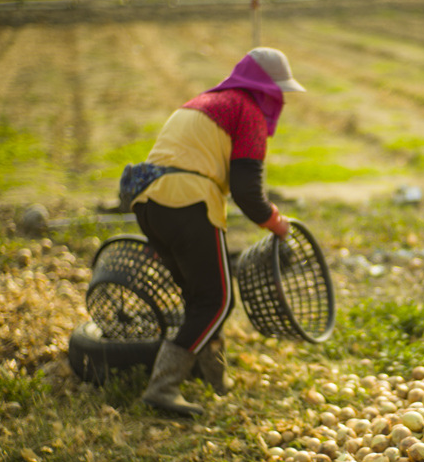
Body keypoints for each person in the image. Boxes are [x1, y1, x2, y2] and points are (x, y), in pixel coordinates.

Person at [127, 47, 304, 415]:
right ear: (264, 89)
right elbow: (246, 191)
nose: (279, 101)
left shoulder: (206, 102)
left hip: (149, 203)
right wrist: (276, 223)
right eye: (278, 92)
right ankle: (162, 387)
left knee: (200, 299)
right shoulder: (247, 111)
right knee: (218, 301)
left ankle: (215, 378)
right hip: (188, 203)